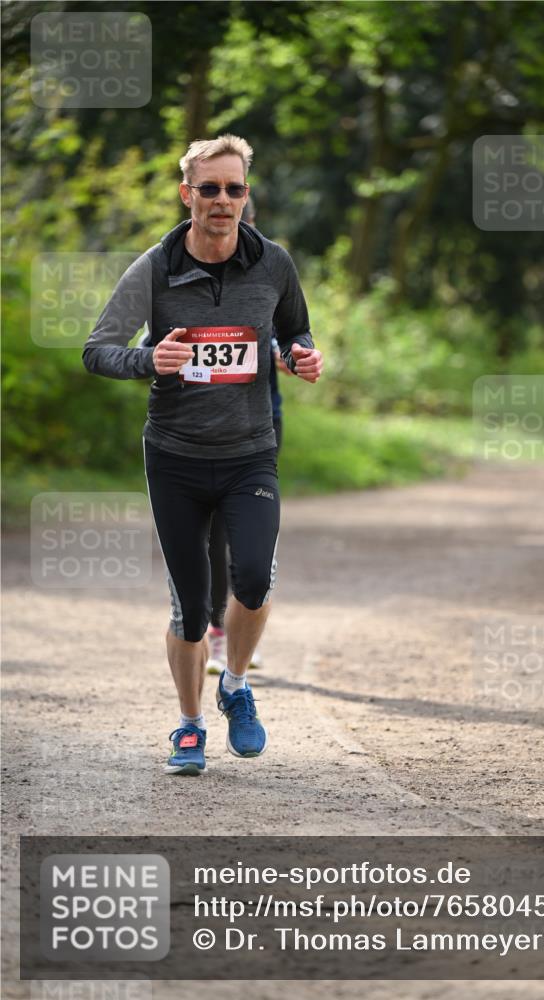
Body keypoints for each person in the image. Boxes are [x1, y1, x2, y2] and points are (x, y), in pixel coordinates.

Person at [83, 134, 323, 775]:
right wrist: (148, 359)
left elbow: (295, 328)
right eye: (209, 188)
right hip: (176, 457)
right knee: (190, 609)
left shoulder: (273, 263)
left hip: (250, 454)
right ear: (186, 194)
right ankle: (189, 727)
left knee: (254, 577)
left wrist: (300, 354)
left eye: (234, 188)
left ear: (246, 195)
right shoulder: (154, 268)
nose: (222, 200)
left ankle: (236, 686)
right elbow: (97, 349)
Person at [205, 195, 287, 676]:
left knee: (249, 531)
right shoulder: (182, 271)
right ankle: (218, 631)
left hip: (260, 424)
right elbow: (148, 340)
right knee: (213, 532)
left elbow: (291, 333)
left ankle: (242, 626)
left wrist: (288, 353)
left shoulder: (270, 272)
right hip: (199, 427)